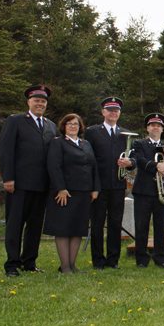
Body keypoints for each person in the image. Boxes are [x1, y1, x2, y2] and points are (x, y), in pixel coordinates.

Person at [0, 85, 57, 277]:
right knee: (15, 224)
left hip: (41, 185)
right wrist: (8, 178)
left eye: (43, 101)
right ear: (29, 102)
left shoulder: (51, 125)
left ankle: (29, 262)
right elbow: (6, 151)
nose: (40, 104)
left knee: (35, 226)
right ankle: (12, 265)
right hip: (19, 184)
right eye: (37, 100)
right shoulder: (15, 121)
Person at [43, 114, 100, 273]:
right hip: (65, 193)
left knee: (77, 229)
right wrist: (60, 188)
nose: (73, 126)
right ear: (63, 126)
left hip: (83, 193)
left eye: (76, 124)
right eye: (69, 124)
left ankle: (73, 264)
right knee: (63, 229)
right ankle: (65, 266)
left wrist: (95, 188)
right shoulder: (58, 143)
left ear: (80, 126)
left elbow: (93, 167)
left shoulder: (86, 143)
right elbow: (54, 166)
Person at [84, 97, 135, 270]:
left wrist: (130, 163)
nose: (113, 113)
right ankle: (98, 260)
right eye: (110, 110)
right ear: (103, 112)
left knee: (115, 224)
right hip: (99, 186)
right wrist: (91, 186)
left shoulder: (126, 133)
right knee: (97, 224)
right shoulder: (92, 132)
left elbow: (133, 158)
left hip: (118, 186)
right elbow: (87, 159)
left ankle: (113, 260)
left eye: (116, 110)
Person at [131, 113, 164, 269]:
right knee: (141, 226)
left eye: (158, 126)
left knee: (161, 226)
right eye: (153, 125)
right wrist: (157, 166)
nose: (155, 128)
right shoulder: (139, 144)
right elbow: (139, 159)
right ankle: (142, 260)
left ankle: (161, 258)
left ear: (162, 129)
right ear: (148, 128)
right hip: (143, 191)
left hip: (162, 193)